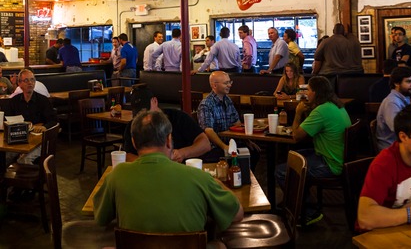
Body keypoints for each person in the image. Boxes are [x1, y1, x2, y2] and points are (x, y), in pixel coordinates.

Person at [94, 110, 243, 233]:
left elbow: (100, 219)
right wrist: (217, 183)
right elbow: (237, 214)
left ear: (133, 142)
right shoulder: (200, 178)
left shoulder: (116, 176)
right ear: (168, 140)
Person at [276, 76, 351, 225]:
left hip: (330, 164)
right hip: (339, 158)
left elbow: (296, 136)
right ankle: (295, 201)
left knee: (282, 171)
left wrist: (298, 113)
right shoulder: (335, 105)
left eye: (308, 90)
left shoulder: (321, 111)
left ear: (315, 92)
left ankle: (308, 212)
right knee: (293, 157)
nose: (306, 93)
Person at [120, 85, 213, 163]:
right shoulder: (134, 125)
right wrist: (151, 163)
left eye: (147, 111)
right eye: (139, 113)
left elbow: (205, 144)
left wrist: (183, 153)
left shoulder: (178, 117)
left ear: (155, 101)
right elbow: (127, 155)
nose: (144, 117)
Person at [376, 66, 411, 151]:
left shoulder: (404, 97)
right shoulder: (392, 102)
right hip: (391, 147)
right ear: (397, 83)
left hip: (401, 143)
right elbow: (397, 128)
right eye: (408, 81)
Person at [8, 69, 56, 134]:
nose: (30, 83)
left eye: (32, 80)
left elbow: (53, 121)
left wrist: (44, 127)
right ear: (19, 83)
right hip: (19, 135)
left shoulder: (43, 100)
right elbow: (7, 121)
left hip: (39, 135)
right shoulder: (14, 101)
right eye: (26, 80)